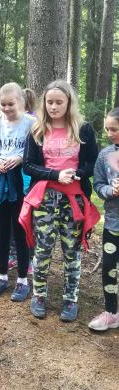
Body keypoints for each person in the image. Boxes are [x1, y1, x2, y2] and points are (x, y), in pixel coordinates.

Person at [21, 80, 99, 321]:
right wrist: (55, 175)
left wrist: (78, 173)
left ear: (69, 103)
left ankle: (70, 298)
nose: (53, 107)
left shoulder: (83, 129)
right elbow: (28, 165)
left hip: (74, 200)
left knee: (72, 250)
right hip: (44, 199)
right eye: (49, 102)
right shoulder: (37, 129)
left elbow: (92, 162)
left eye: (59, 102)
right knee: (43, 248)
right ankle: (39, 295)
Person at [0, 83, 33, 301]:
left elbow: (38, 153)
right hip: (0, 181)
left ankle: (22, 280)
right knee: (2, 229)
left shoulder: (32, 123)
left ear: (20, 101)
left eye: (10, 104)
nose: (6, 108)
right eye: (3, 104)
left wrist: (20, 158)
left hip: (22, 182)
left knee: (20, 230)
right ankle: (2, 276)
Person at [89, 109, 119, 331]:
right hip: (113, 223)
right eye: (107, 129)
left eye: (114, 129)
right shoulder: (104, 155)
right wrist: (111, 190)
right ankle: (111, 313)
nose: (109, 133)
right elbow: (98, 185)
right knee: (109, 267)